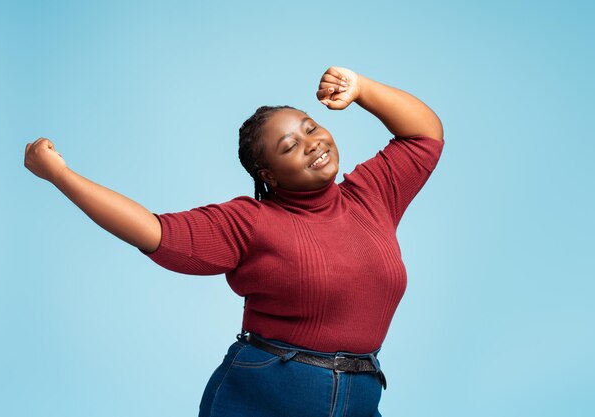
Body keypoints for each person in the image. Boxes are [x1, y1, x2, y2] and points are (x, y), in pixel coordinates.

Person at [24, 66, 444, 417]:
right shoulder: (249, 222)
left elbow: (425, 135)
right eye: (289, 145)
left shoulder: (372, 195)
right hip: (265, 395)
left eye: (311, 128)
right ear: (269, 174)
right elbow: (152, 230)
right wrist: (61, 175)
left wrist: (362, 89)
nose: (312, 143)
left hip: (361, 391)